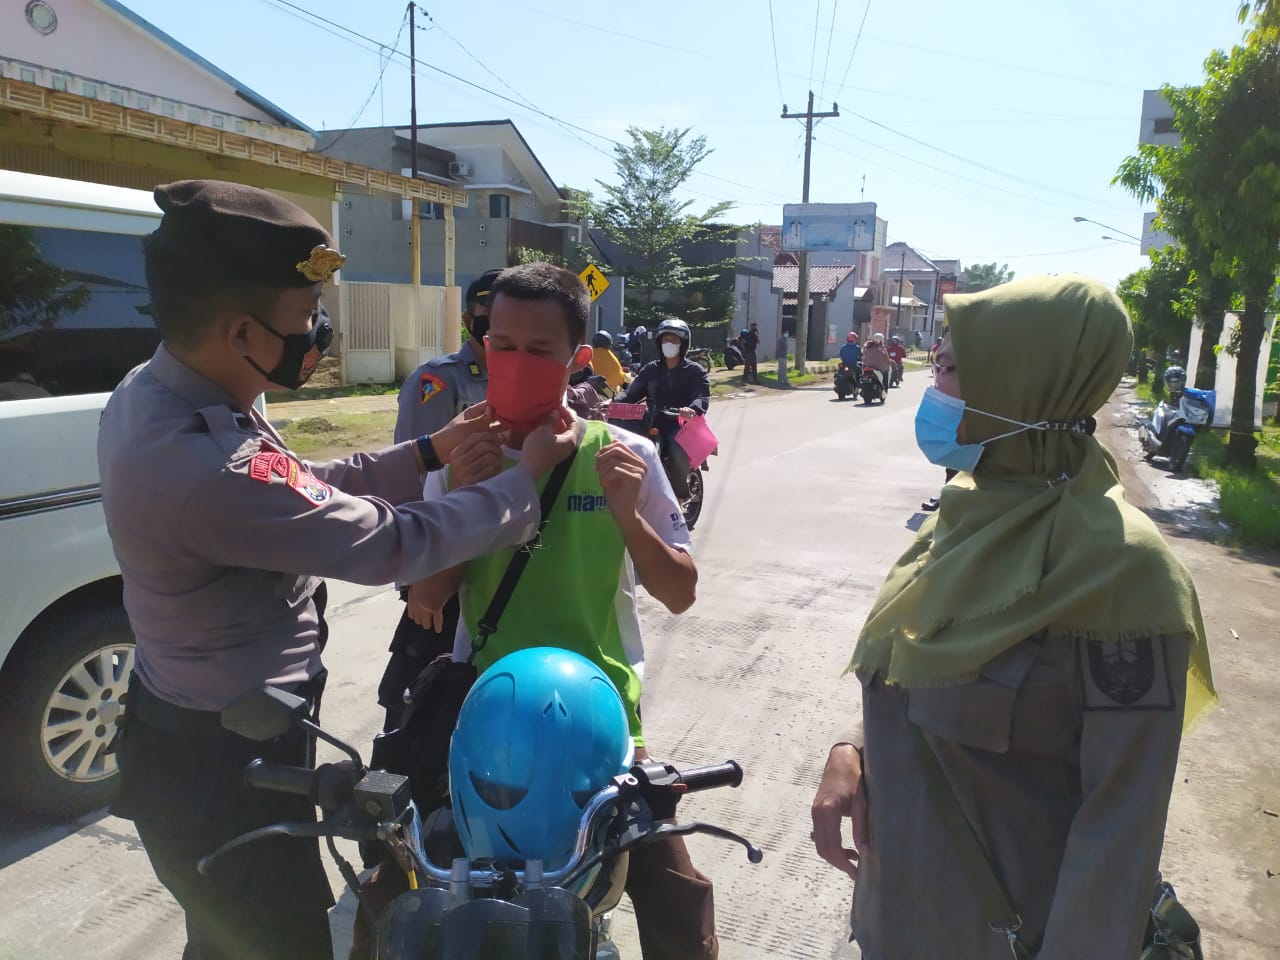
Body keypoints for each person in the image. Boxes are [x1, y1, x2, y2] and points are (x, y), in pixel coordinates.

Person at [96, 181, 576, 960]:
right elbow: (395, 541)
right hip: (218, 770)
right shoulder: (196, 461)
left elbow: (300, 483)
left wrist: (428, 449)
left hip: (227, 736)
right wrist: (521, 486)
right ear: (244, 331)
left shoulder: (175, 392)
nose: (318, 332)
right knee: (271, 937)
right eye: (305, 319)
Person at [810, 275, 1216, 959]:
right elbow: (919, 658)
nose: (935, 381)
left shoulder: (1120, 573)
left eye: (956, 366)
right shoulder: (961, 522)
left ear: (1030, 386)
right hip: (895, 925)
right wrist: (853, 747)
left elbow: (1119, 833)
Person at [408, 263, 717, 959]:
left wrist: (629, 517)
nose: (514, 361)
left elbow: (680, 591)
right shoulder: (457, 458)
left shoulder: (627, 455)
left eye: (539, 349)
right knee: (406, 892)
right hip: (484, 728)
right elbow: (427, 601)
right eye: (501, 342)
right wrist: (466, 495)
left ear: (577, 358)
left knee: (676, 901)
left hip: (604, 730)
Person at [379, 268, 502, 731]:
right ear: (470, 318)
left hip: (502, 557)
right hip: (445, 561)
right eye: (487, 318)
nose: (496, 331)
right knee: (422, 701)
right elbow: (412, 477)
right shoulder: (439, 380)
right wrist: (417, 571)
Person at [617, 317, 712, 503]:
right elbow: (630, 394)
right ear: (659, 343)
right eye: (666, 339)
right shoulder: (650, 369)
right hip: (652, 421)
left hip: (680, 425)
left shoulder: (695, 371)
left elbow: (702, 396)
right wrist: (610, 403)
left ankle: (681, 494)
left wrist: (692, 409)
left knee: (676, 450)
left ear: (683, 344)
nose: (669, 343)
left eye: (674, 340)